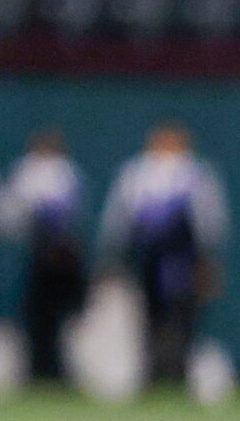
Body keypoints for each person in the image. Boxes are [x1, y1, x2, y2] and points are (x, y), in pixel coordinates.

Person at [96, 122, 229, 384]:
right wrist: (114, 256)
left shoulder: (196, 174)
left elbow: (210, 220)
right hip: (147, 256)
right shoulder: (136, 172)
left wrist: (206, 259)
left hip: (182, 256)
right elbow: (118, 219)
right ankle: (152, 371)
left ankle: (178, 370)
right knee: (148, 313)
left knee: (183, 312)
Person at [0, 131, 86, 380]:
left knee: (62, 317)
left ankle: (56, 370)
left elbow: (75, 217)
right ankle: (36, 369)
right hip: (37, 256)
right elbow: (10, 217)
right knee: (36, 316)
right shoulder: (26, 172)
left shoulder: (67, 171)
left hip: (62, 260)